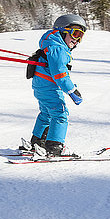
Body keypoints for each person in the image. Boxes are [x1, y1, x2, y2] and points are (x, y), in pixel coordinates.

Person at [28, 14, 87, 156]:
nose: (77, 39)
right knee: (60, 114)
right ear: (62, 31)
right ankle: (54, 146)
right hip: (49, 87)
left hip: (41, 86)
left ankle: (38, 142)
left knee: (46, 114)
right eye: (75, 33)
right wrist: (72, 90)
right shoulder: (58, 49)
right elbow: (60, 74)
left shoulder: (51, 46)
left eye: (81, 36)